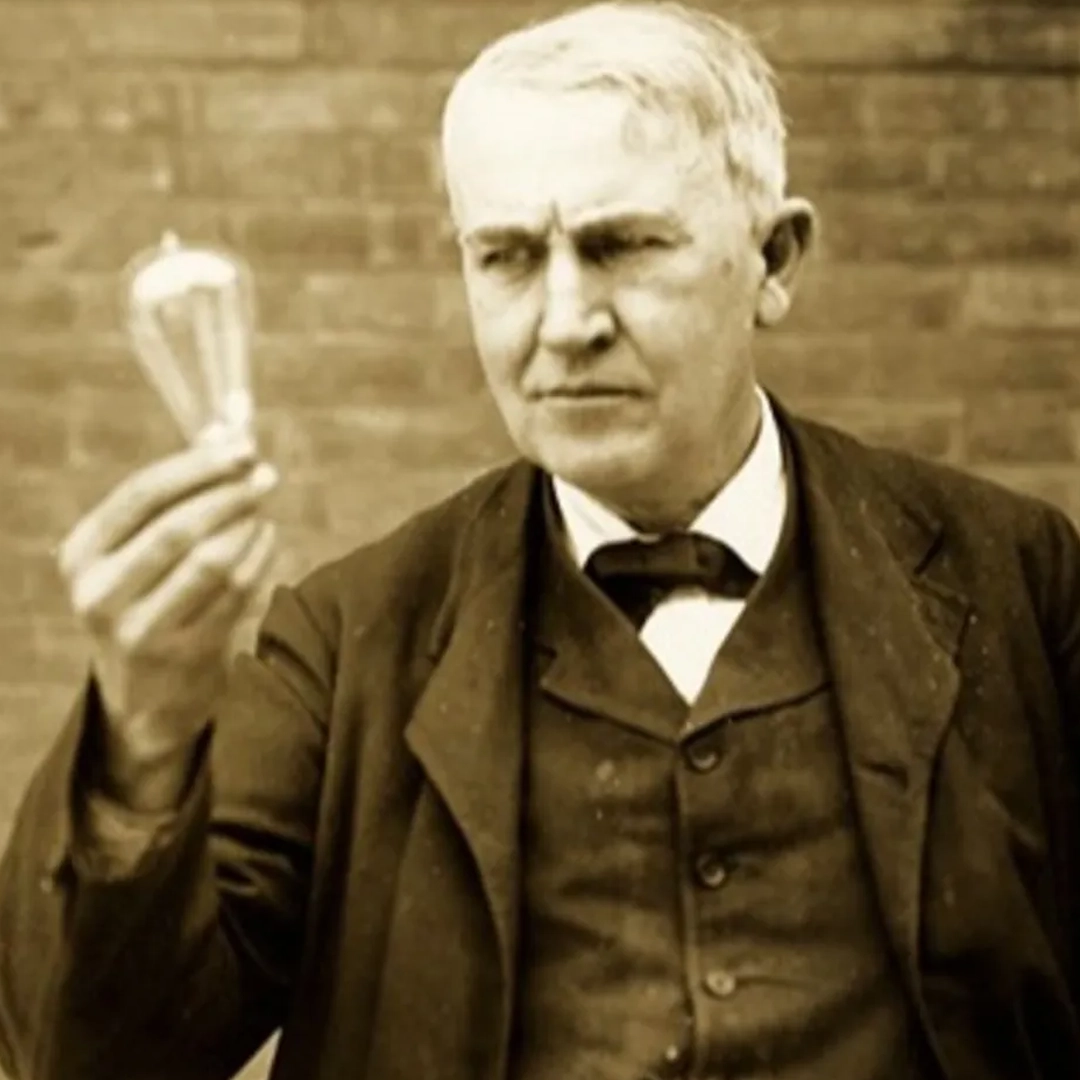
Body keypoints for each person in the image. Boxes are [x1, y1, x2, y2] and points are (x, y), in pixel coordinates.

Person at [1, 2, 1078, 1078]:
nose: (565, 322)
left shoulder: (1018, 581)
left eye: (624, 246)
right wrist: (144, 738)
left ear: (774, 260)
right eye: (509, 258)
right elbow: (92, 1055)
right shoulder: (351, 641)